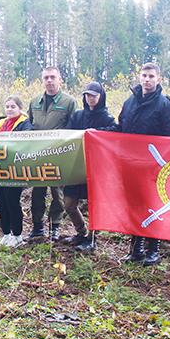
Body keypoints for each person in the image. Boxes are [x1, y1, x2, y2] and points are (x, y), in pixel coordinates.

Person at [111, 62, 170, 266]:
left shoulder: (167, 104)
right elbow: (121, 127)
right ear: (139, 77)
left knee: (151, 205)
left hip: (153, 164)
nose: (147, 79)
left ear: (158, 79)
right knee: (133, 205)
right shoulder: (129, 101)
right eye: (144, 75)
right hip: (130, 164)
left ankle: (153, 249)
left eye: (151, 76)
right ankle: (135, 248)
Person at [61, 81, 116, 251]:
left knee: (93, 205)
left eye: (94, 95)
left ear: (101, 97)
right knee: (69, 203)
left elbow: (115, 131)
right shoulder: (78, 115)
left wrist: (95, 132)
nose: (90, 98)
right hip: (76, 165)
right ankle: (81, 232)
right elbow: (67, 134)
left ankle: (92, 240)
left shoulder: (107, 117)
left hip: (96, 168)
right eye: (87, 95)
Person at [26, 66, 78, 242]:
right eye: (46, 78)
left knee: (58, 194)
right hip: (38, 155)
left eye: (53, 77)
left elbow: (73, 129)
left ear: (60, 80)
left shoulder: (69, 102)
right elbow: (30, 125)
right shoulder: (34, 102)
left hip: (59, 155)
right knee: (37, 192)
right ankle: (37, 226)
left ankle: (55, 226)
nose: (49, 81)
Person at [0, 96, 33, 247]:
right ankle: (6, 234)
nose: (9, 109)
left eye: (13, 107)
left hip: (14, 170)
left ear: (20, 108)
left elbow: (26, 141)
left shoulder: (25, 124)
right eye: (7, 106)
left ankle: (17, 235)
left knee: (12, 201)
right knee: (1, 202)